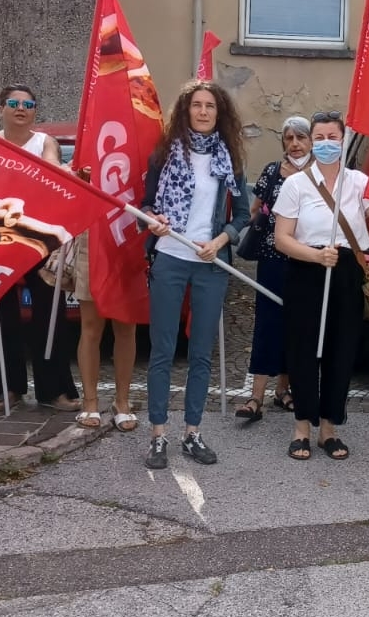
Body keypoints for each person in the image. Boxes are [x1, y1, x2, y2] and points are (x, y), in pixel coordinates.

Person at [272, 112, 369, 459]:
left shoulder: (359, 182)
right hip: (307, 269)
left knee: (340, 351)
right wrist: (315, 257)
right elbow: (282, 238)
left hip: (346, 271)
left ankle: (329, 427)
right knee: (302, 349)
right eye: (320, 137)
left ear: (343, 141)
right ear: (311, 141)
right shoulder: (296, 184)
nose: (327, 143)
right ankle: (302, 427)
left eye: (333, 136)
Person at [141, 81, 251, 469]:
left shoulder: (230, 161)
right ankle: (157, 435)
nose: (203, 112)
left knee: (201, 354)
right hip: (170, 258)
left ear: (220, 115)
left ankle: (192, 432)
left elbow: (242, 216)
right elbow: (147, 204)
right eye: (196, 105)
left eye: (211, 107)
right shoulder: (164, 155)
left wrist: (221, 240)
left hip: (210, 264)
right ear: (185, 110)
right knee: (162, 352)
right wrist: (154, 221)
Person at [0, 85, 80, 414]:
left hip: (39, 237)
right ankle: (4, 388)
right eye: (14, 103)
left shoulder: (44, 142)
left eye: (28, 104)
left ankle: (53, 390)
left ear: (34, 111)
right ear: (1, 107)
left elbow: (49, 171)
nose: (21, 108)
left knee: (50, 315)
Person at [237, 116, 310, 422]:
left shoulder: (320, 175)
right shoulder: (272, 171)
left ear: (311, 141)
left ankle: (285, 390)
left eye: (301, 138)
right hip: (273, 256)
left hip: (307, 259)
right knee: (268, 323)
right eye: (289, 138)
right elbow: (254, 211)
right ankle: (256, 397)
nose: (294, 144)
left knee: (297, 325)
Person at [69, 229, 139, 433]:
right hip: (92, 243)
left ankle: (122, 402)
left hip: (129, 243)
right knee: (91, 328)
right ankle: (90, 402)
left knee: (126, 327)